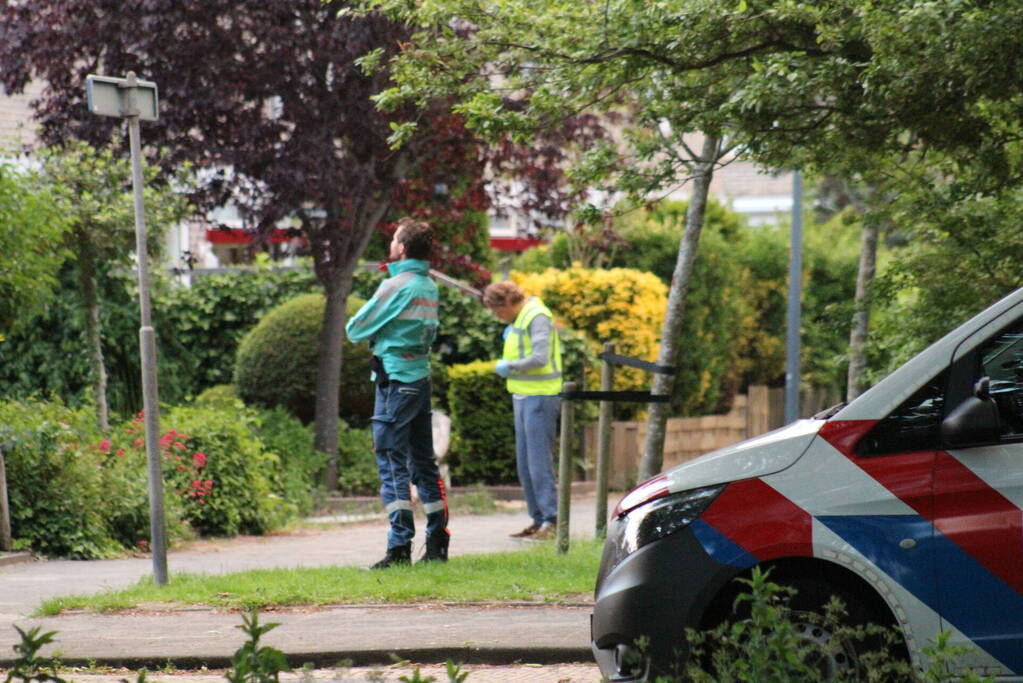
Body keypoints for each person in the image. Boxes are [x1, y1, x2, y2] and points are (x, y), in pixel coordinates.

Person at [346, 217, 449, 568]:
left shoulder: (397, 285)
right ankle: (437, 543)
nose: (390, 245)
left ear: (402, 248)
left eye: (394, 240)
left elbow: (355, 328)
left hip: (395, 380)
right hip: (419, 380)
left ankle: (399, 548)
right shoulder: (428, 285)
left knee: (391, 460)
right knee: (423, 462)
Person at [482, 280, 562, 540]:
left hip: (541, 396)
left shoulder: (536, 316)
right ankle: (538, 520)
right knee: (525, 464)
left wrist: (511, 366)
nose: (497, 317)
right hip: (523, 395)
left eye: (498, 311)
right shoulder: (519, 318)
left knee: (538, 463)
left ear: (507, 302)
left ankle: (551, 521)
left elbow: (540, 358)